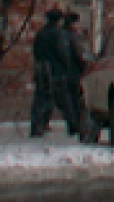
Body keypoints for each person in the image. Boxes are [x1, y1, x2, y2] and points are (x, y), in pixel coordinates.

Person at [29, 8, 77, 136]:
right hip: (56, 71)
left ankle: (36, 127)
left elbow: (35, 52)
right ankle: (73, 126)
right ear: (58, 20)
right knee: (64, 100)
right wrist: (67, 66)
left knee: (40, 99)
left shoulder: (41, 33)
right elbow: (63, 53)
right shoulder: (58, 34)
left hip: (41, 70)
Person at [62, 11, 94, 136]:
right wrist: (85, 65)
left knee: (69, 100)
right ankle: (75, 125)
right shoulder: (72, 37)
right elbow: (78, 55)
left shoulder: (63, 34)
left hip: (64, 72)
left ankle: (72, 125)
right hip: (73, 72)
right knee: (75, 101)